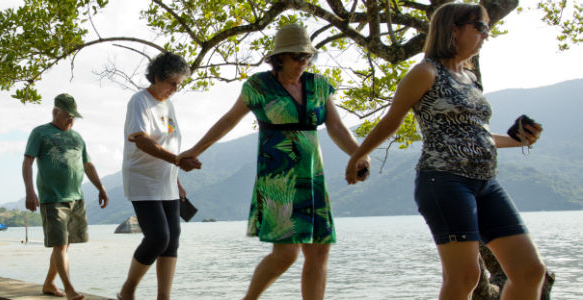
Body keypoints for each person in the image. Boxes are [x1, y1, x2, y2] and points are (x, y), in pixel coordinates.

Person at [343, 3, 546, 299]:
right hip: (445, 181)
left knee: (530, 271)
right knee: (464, 277)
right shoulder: (425, 73)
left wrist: (520, 139)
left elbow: (478, 134)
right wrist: (357, 156)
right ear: (454, 29)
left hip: (486, 183)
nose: (486, 35)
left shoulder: (470, 78)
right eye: (480, 27)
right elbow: (392, 120)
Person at [177, 24, 363, 299]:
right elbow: (229, 120)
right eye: (297, 56)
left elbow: (336, 127)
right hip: (278, 177)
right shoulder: (259, 86)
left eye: (307, 56)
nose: (303, 62)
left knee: (319, 251)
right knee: (286, 253)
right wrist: (195, 150)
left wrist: (359, 155)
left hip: (311, 177)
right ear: (280, 57)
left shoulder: (319, 86)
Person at [118, 52, 200, 300]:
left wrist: (176, 177)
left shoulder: (169, 104)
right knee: (157, 238)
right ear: (156, 77)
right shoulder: (139, 101)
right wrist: (177, 160)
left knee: (172, 239)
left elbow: (170, 144)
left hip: (167, 181)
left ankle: (164, 297)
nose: (175, 89)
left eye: (179, 84)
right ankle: (128, 289)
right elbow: (141, 141)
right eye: (171, 83)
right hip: (143, 180)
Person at [23, 93, 110, 300]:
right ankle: (70, 290)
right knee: (60, 245)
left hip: (76, 198)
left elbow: (88, 165)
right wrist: (29, 191)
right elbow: (27, 162)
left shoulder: (77, 137)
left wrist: (101, 188)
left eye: (74, 117)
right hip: (52, 197)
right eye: (68, 116)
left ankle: (49, 284)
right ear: (56, 112)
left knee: (65, 245)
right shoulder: (40, 133)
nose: (71, 120)